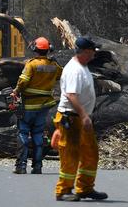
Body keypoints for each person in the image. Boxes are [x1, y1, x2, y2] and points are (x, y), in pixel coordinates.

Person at [54, 36, 108, 202]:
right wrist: (84, 116)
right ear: (85, 52)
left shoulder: (82, 66)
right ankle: (64, 190)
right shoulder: (74, 70)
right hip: (71, 118)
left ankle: (85, 188)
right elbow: (71, 95)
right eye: (92, 52)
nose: (94, 55)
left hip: (81, 117)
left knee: (90, 153)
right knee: (70, 155)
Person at [11, 37, 62, 175]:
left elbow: (23, 81)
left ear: (35, 49)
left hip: (29, 105)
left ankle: (21, 166)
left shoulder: (31, 64)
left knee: (23, 132)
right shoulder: (54, 66)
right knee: (38, 134)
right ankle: (38, 166)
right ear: (48, 49)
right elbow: (60, 75)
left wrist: (16, 91)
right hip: (44, 105)